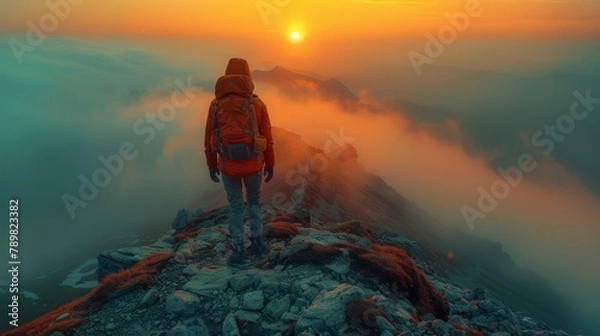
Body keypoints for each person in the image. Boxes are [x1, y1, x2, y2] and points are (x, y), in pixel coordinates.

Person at [204, 58, 275, 264]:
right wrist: (270, 164)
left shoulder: (215, 105)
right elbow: (268, 137)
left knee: (235, 207)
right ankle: (257, 242)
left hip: (227, 165)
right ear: (248, 76)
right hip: (253, 165)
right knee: (254, 202)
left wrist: (211, 165)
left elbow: (209, 137)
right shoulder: (258, 104)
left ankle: (237, 249)